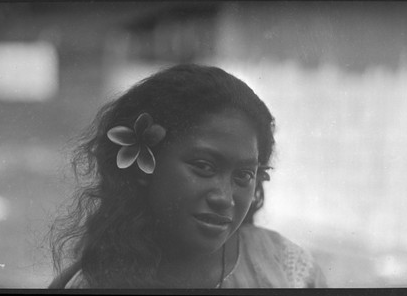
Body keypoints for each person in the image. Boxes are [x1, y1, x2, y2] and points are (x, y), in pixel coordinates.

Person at [48, 64, 326, 288]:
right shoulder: (97, 283)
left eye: (243, 175)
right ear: (145, 163)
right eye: (204, 166)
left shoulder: (288, 270)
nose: (223, 198)